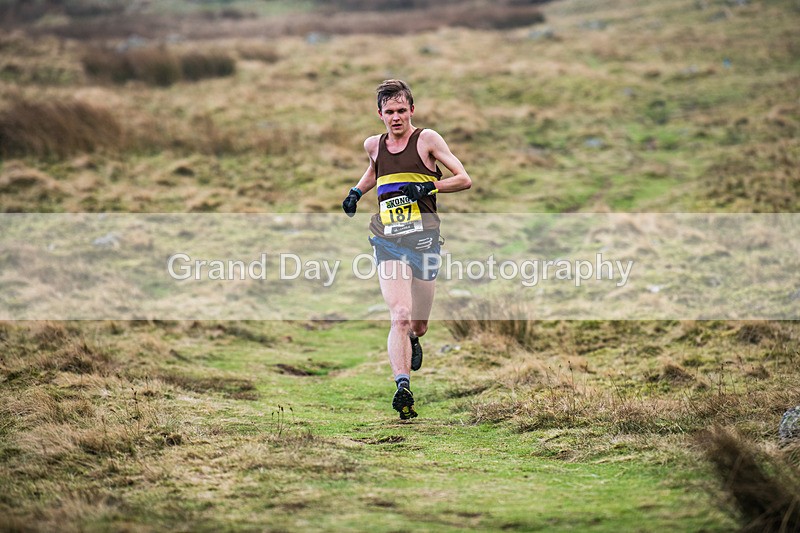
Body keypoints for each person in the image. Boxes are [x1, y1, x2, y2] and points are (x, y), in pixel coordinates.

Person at [342, 79, 472, 420]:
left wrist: (429, 186)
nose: (396, 117)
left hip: (424, 242)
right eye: (389, 112)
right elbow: (375, 169)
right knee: (399, 314)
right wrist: (356, 192)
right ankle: (403, 387)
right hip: (388, 241)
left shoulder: (427, 140)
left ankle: (414, 338)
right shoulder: (373, 144)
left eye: (402, 110)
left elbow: (464, 178)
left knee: (418, 324)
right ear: (380, 114)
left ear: (412, 110)